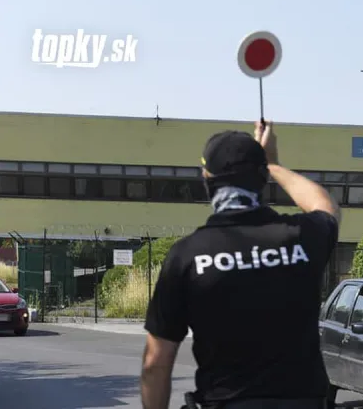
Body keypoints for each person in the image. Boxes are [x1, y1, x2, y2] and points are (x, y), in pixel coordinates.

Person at [140, 120, 341, 409]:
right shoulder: (301, 238)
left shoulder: (187, 256)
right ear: (261, 178)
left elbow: (155, 363)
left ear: (206, 178)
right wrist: (274, 164)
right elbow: (326, 208)